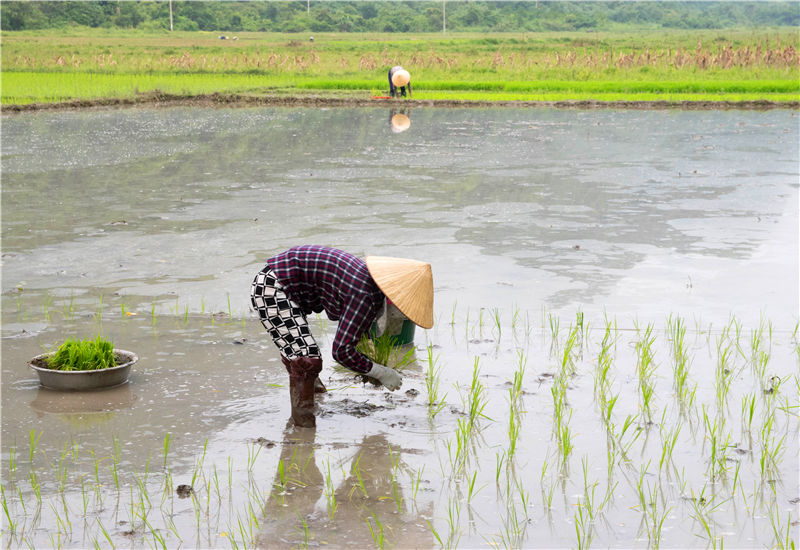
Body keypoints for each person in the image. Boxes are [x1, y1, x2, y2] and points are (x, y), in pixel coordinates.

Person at [250, 245, 434, 428]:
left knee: (300, 347)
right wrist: (380, 371)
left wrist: (366, 365)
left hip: (279, 282)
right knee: (306, 358)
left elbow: (354, 333)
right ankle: (302, 426)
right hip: (272, 288)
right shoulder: (365, 294)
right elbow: (341, 351)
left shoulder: (370, 282)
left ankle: (316, 398)